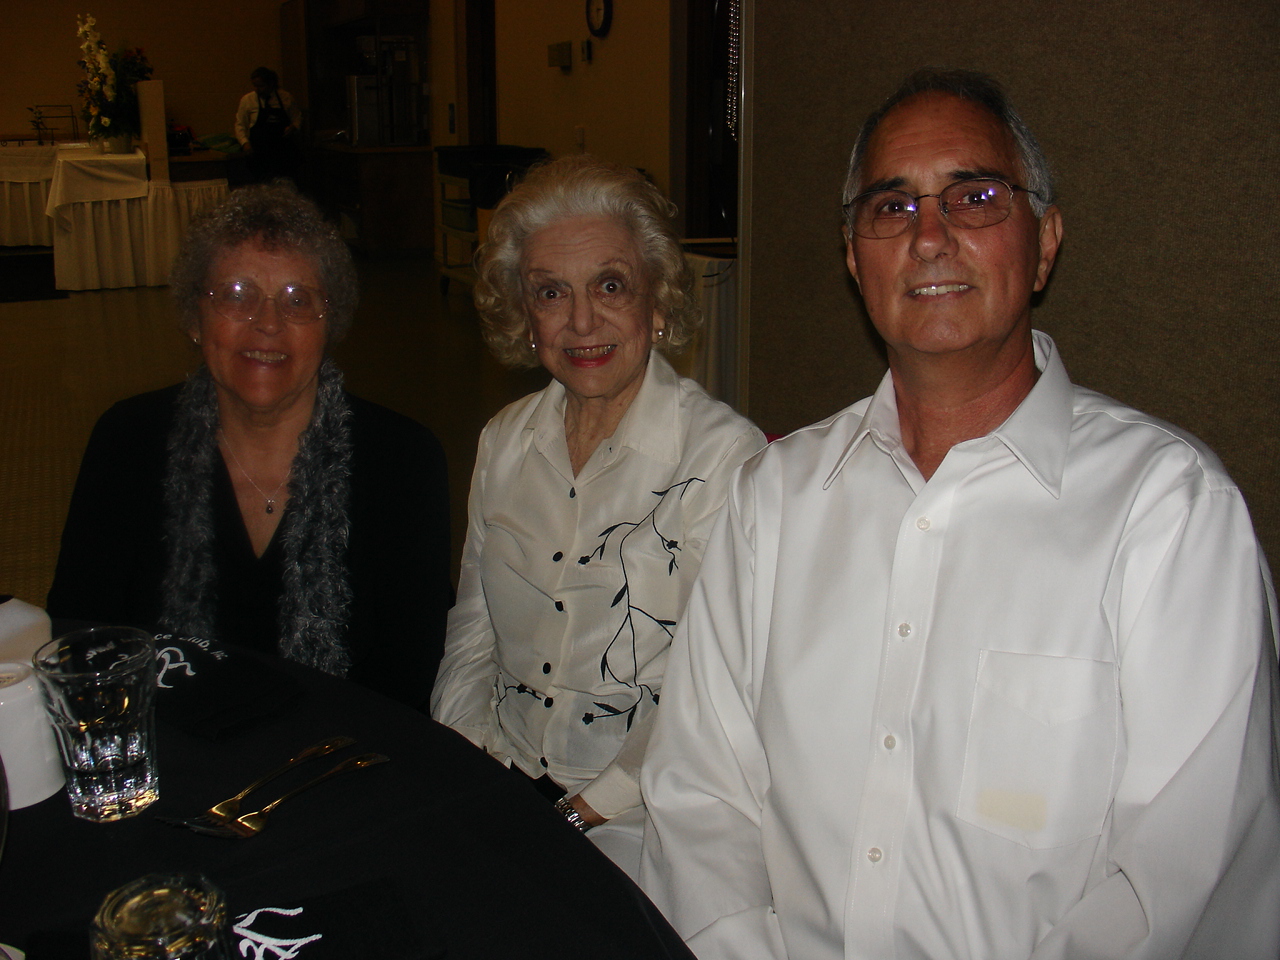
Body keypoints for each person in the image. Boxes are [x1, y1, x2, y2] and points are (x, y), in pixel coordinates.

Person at [640, 69, 1280, 959]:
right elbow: (699, 796)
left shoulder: (1171, 516)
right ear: (855, 259)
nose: (929, 236)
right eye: (892, 207)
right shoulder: (772, 499)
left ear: (1044, 243)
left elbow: (1181, 883)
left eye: (975, 197)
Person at [431, 155, 766, 878]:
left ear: (658, 302)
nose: (582, 321)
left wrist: (577, 814)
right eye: (551, 292)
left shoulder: (724, 459)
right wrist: (464, 763)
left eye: (610, 286)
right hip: (499, 775)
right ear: (526, 317)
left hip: (642, 811)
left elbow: (715, 685)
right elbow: (472, 631)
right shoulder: (503, 441)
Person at [47, 183, 452, 710]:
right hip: (166, 749)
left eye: (298, 300)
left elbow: (409, 679)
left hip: (339, 751)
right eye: (237, 294)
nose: (267, 324)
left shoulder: (402, 459)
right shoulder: (127, 441)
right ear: (195, 317)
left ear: (330, 324)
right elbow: (81, 644)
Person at [234, 67, 303, 184]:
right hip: (259, 152)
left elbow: (297, 118)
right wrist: (245, 143)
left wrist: (293, 127)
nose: (257, 89)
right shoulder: (248, 100)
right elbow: (240, 125)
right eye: (255, 86)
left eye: (261, 86)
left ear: (271, 84)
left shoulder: (285, 97)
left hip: (282, 151)